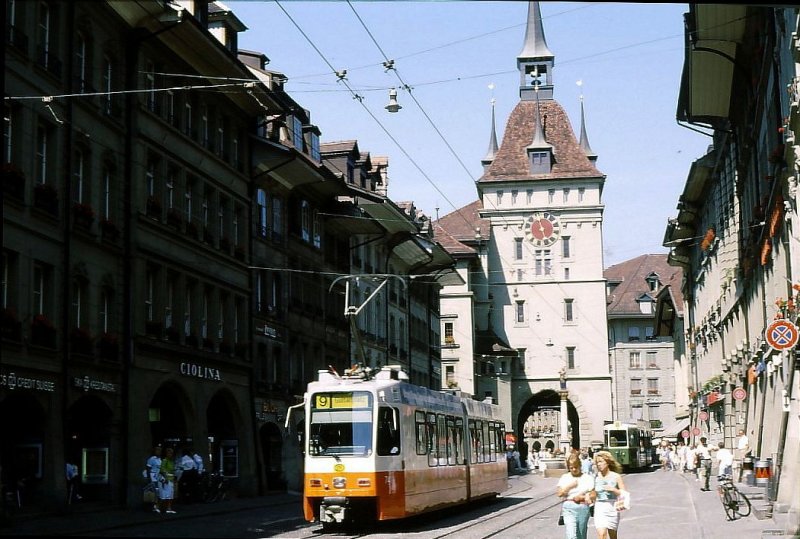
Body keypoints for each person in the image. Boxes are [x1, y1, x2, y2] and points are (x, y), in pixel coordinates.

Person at [556, 453, 594, 539]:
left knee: (581, 535)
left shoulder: (587, 478)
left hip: (583, 507)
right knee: (571, 535)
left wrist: (584, 497)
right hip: (568, 508)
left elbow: (593, 494)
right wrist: (570, 486)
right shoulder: (565, 477)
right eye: (571, 468)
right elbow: (559, 493)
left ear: (580, 466)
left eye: (576, 467)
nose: (573, 469)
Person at [590, 450, 627, 539]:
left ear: (607, 462)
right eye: (597, 462)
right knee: (602, 535)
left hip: (612, 506)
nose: (598, 464)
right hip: (600, 507)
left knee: (613, 536)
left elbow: (624, 493)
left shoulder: (616, 476)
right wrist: (591, 495)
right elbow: (592, 494)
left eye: (601, 462)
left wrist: (614, 490)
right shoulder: (595, 477)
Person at [159, 446, 177, 514]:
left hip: (171, 479)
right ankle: (163, 508)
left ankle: (168, 508)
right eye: (169, 453)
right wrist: (166, 478)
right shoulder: (165, 460)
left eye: (171, 453)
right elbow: (162, 470)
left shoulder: (171, 461)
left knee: (170, 494)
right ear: (166, 454)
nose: (170, 454)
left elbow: (172, 470)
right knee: (165, 494)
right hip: (166, 480)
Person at [145, 445, 162, 513]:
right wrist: (149, 479)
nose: (159, 451)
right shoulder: (152, 459)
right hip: (153, 478)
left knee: (158, 493)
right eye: (157, 450)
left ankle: (156, 506)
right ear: (154, 451)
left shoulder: (160, 459)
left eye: (160, 450)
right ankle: (152, 507)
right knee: (154, 493)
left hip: (158, 478)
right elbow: (148, 468)